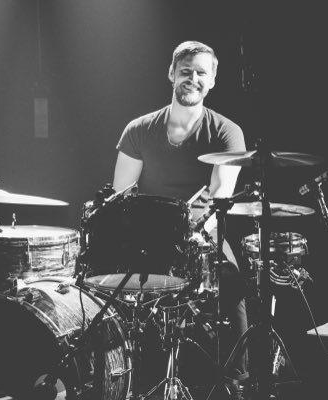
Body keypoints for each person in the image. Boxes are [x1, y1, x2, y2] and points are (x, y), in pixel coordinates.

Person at [113, 40, 249, 399]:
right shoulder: (139, 129)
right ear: (171, 74)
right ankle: (126, 378)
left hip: (201, 237)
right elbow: (121, 196)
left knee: (233, 287)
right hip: (146, 236)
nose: (193, 78)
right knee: (110, 291)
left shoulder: (226, 132)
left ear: (213, 81)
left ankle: (234, 382)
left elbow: (221, 198)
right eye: (186, 70)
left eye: (201, 73)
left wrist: (189, 233)